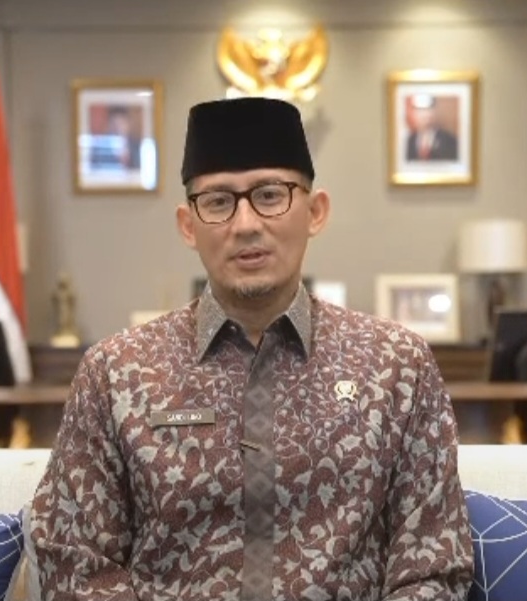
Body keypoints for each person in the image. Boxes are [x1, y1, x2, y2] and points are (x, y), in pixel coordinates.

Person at [30, 96, 474, 600]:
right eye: (218, 201)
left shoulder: (396, 366)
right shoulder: (117, 373)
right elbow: (75, 561)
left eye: (269, 195)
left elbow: (432, 566)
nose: (245, 224)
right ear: (188, 224)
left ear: (315, 211)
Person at [405, 95, 459, 162]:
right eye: (419, 109)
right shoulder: (409, 141)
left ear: (434, 111)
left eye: (428, 108)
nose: (424, 114)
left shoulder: (450, 141)